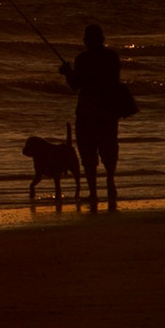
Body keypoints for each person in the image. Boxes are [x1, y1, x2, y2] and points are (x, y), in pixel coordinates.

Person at [58, 23, 120, 209]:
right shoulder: (111, 57)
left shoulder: (83, 59)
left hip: (87, 111)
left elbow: (75, 85)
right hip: (109, 110)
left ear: (86, 41)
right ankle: (110, 182)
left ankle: (93, 193)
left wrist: (67, 73)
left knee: (88, 153)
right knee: (108, 148)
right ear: (102, 39)